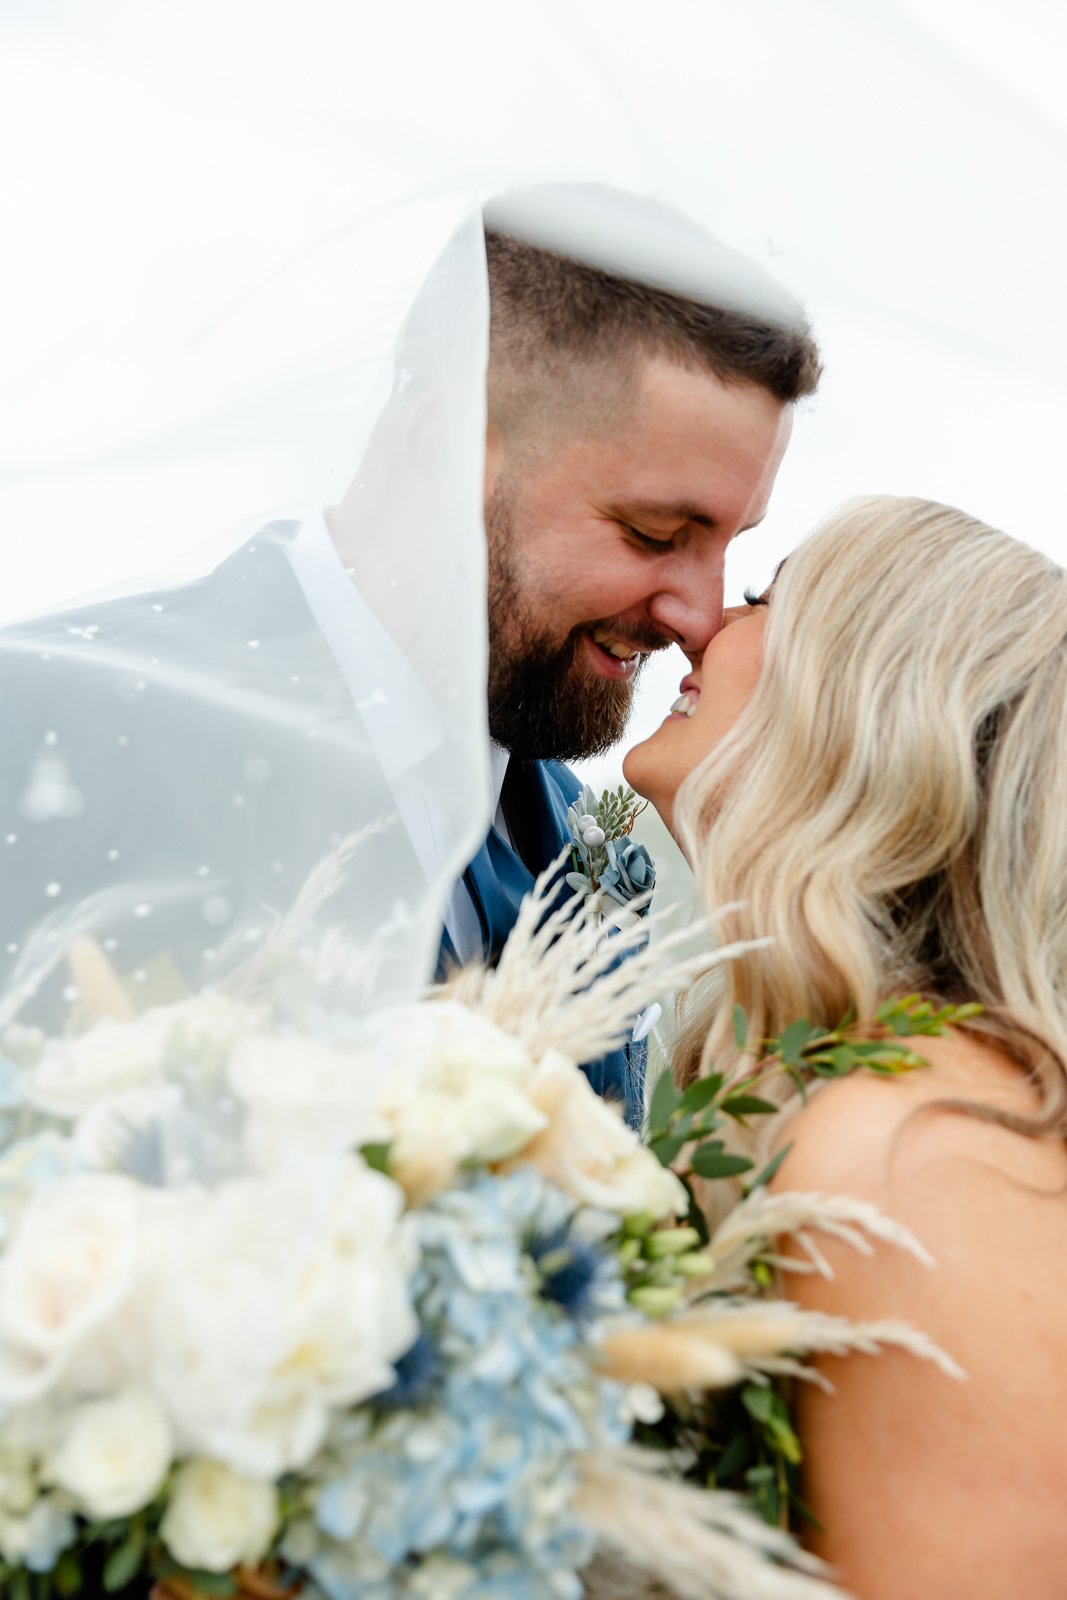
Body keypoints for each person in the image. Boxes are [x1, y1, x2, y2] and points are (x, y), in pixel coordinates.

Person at [0, 186, 819, 1126]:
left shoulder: (580, 837)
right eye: (653, 532)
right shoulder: (57, 727)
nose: (699, 616)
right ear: (445, 450)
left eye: (731, 545)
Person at [623, 495, 1067, 1598]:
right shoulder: (845, 1083)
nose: (708, 620)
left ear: (870, 695)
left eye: (768, 597)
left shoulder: (912, 1154)